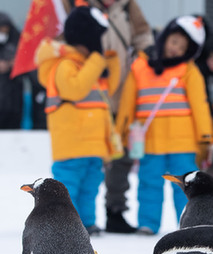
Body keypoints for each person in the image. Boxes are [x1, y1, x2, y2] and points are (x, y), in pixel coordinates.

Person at [62, 0, 155, 233]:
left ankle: (115, 210)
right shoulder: (77, 5)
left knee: (121, 156)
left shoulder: (128, 7)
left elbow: (143, 35)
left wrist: (144, 57)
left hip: (124, 93)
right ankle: (78, 216)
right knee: (90, 159)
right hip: (93, 94)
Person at [115, 16, 213, 235]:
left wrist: (205, 137)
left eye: (183, 47)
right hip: (150, 140)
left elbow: (200, 106)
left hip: (183, 141)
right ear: (165, 38)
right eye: (174, 41)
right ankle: (148, 224)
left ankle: (189, 223)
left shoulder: (189, 71)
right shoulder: (140, 67)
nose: (176, 49)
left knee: (185, 186)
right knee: (149, 184)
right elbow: (127, 104)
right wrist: (122, 132)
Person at [36, 6, 121, 235]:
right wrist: (96, 62)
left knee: (90, 187)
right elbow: (74, 89)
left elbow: (106, 92)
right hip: (72, 143)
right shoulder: (64, 65)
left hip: (93, 144)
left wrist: (109, 65)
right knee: (69, 187)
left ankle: (86, 222)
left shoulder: (87, 68)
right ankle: (63, 224)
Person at [0, 12, 23, 129]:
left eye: (5, 30)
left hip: (14, 97)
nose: (3, 33)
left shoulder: (17, 40)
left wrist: (14, 64)